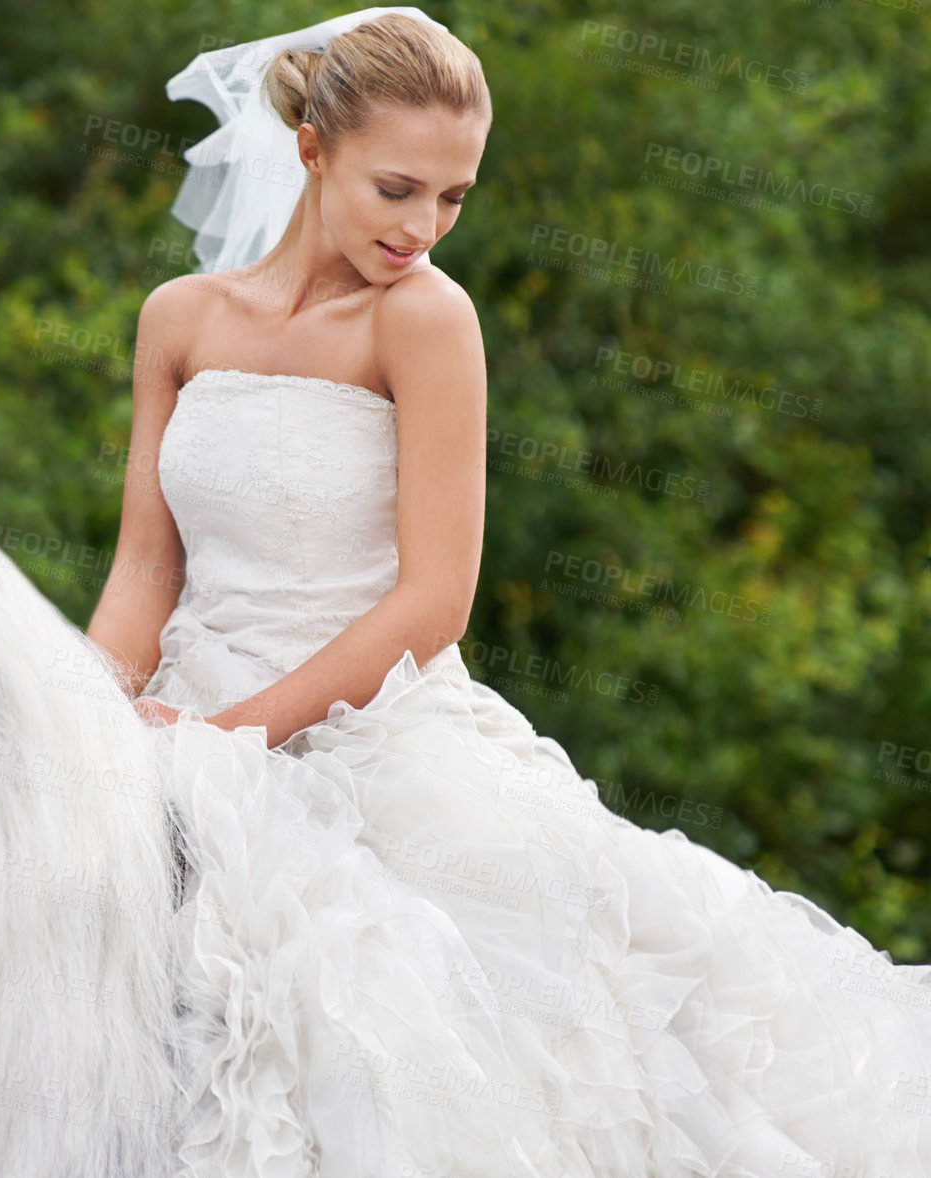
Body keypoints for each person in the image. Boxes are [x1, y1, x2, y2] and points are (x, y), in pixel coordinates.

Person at [85, 8, 931, 1177]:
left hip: (369, 729)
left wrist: (224, 745)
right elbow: (145, 566)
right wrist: (89, 717)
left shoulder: (426, 318)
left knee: (429, 1023)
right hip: (182, 708)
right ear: (310, 148)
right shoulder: (178, 321)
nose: (421, 228)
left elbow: (433, 601)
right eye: (396, 188)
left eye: (452, 199)